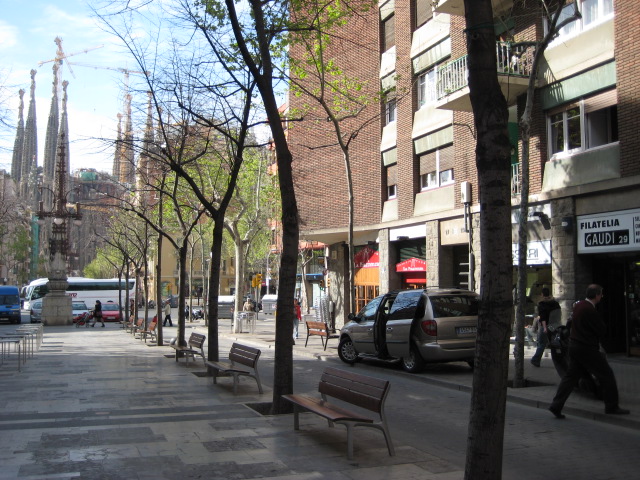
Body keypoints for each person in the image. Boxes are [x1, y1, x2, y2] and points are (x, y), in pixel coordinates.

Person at [549, 284, 630, 418]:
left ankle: (556, 405)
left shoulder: (579, 306)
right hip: (586, 348)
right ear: (597, 295)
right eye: (601, 294)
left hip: (575, 346)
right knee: (607, 375)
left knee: (570, 377)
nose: (602, 297)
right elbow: (601, 329)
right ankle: (612, 406)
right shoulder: (589, 310)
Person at [531, 287, 561, 367]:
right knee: (554, 344)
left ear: (542, 294)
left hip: (546, 326)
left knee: (541, 343)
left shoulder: (542, 304)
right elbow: (558, 313)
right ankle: (559, 361)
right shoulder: (555, 303)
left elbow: (543, 317)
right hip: (554, 325)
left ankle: (535, 359)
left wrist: (544, 328)